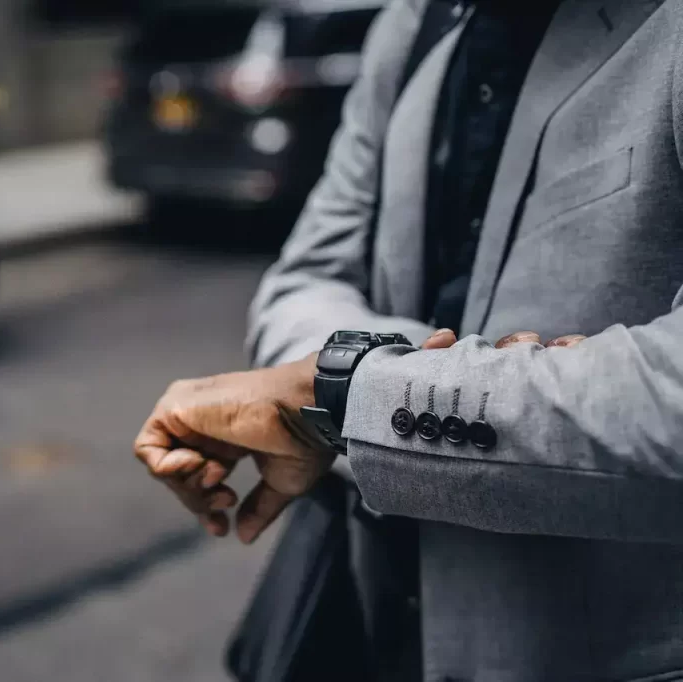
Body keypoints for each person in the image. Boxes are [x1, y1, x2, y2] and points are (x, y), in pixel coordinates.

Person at [134, 0, 683, 679]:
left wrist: (333, 398)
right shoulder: (410, 25)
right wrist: (425, 388)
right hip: (383, 630)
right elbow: (298, 284)